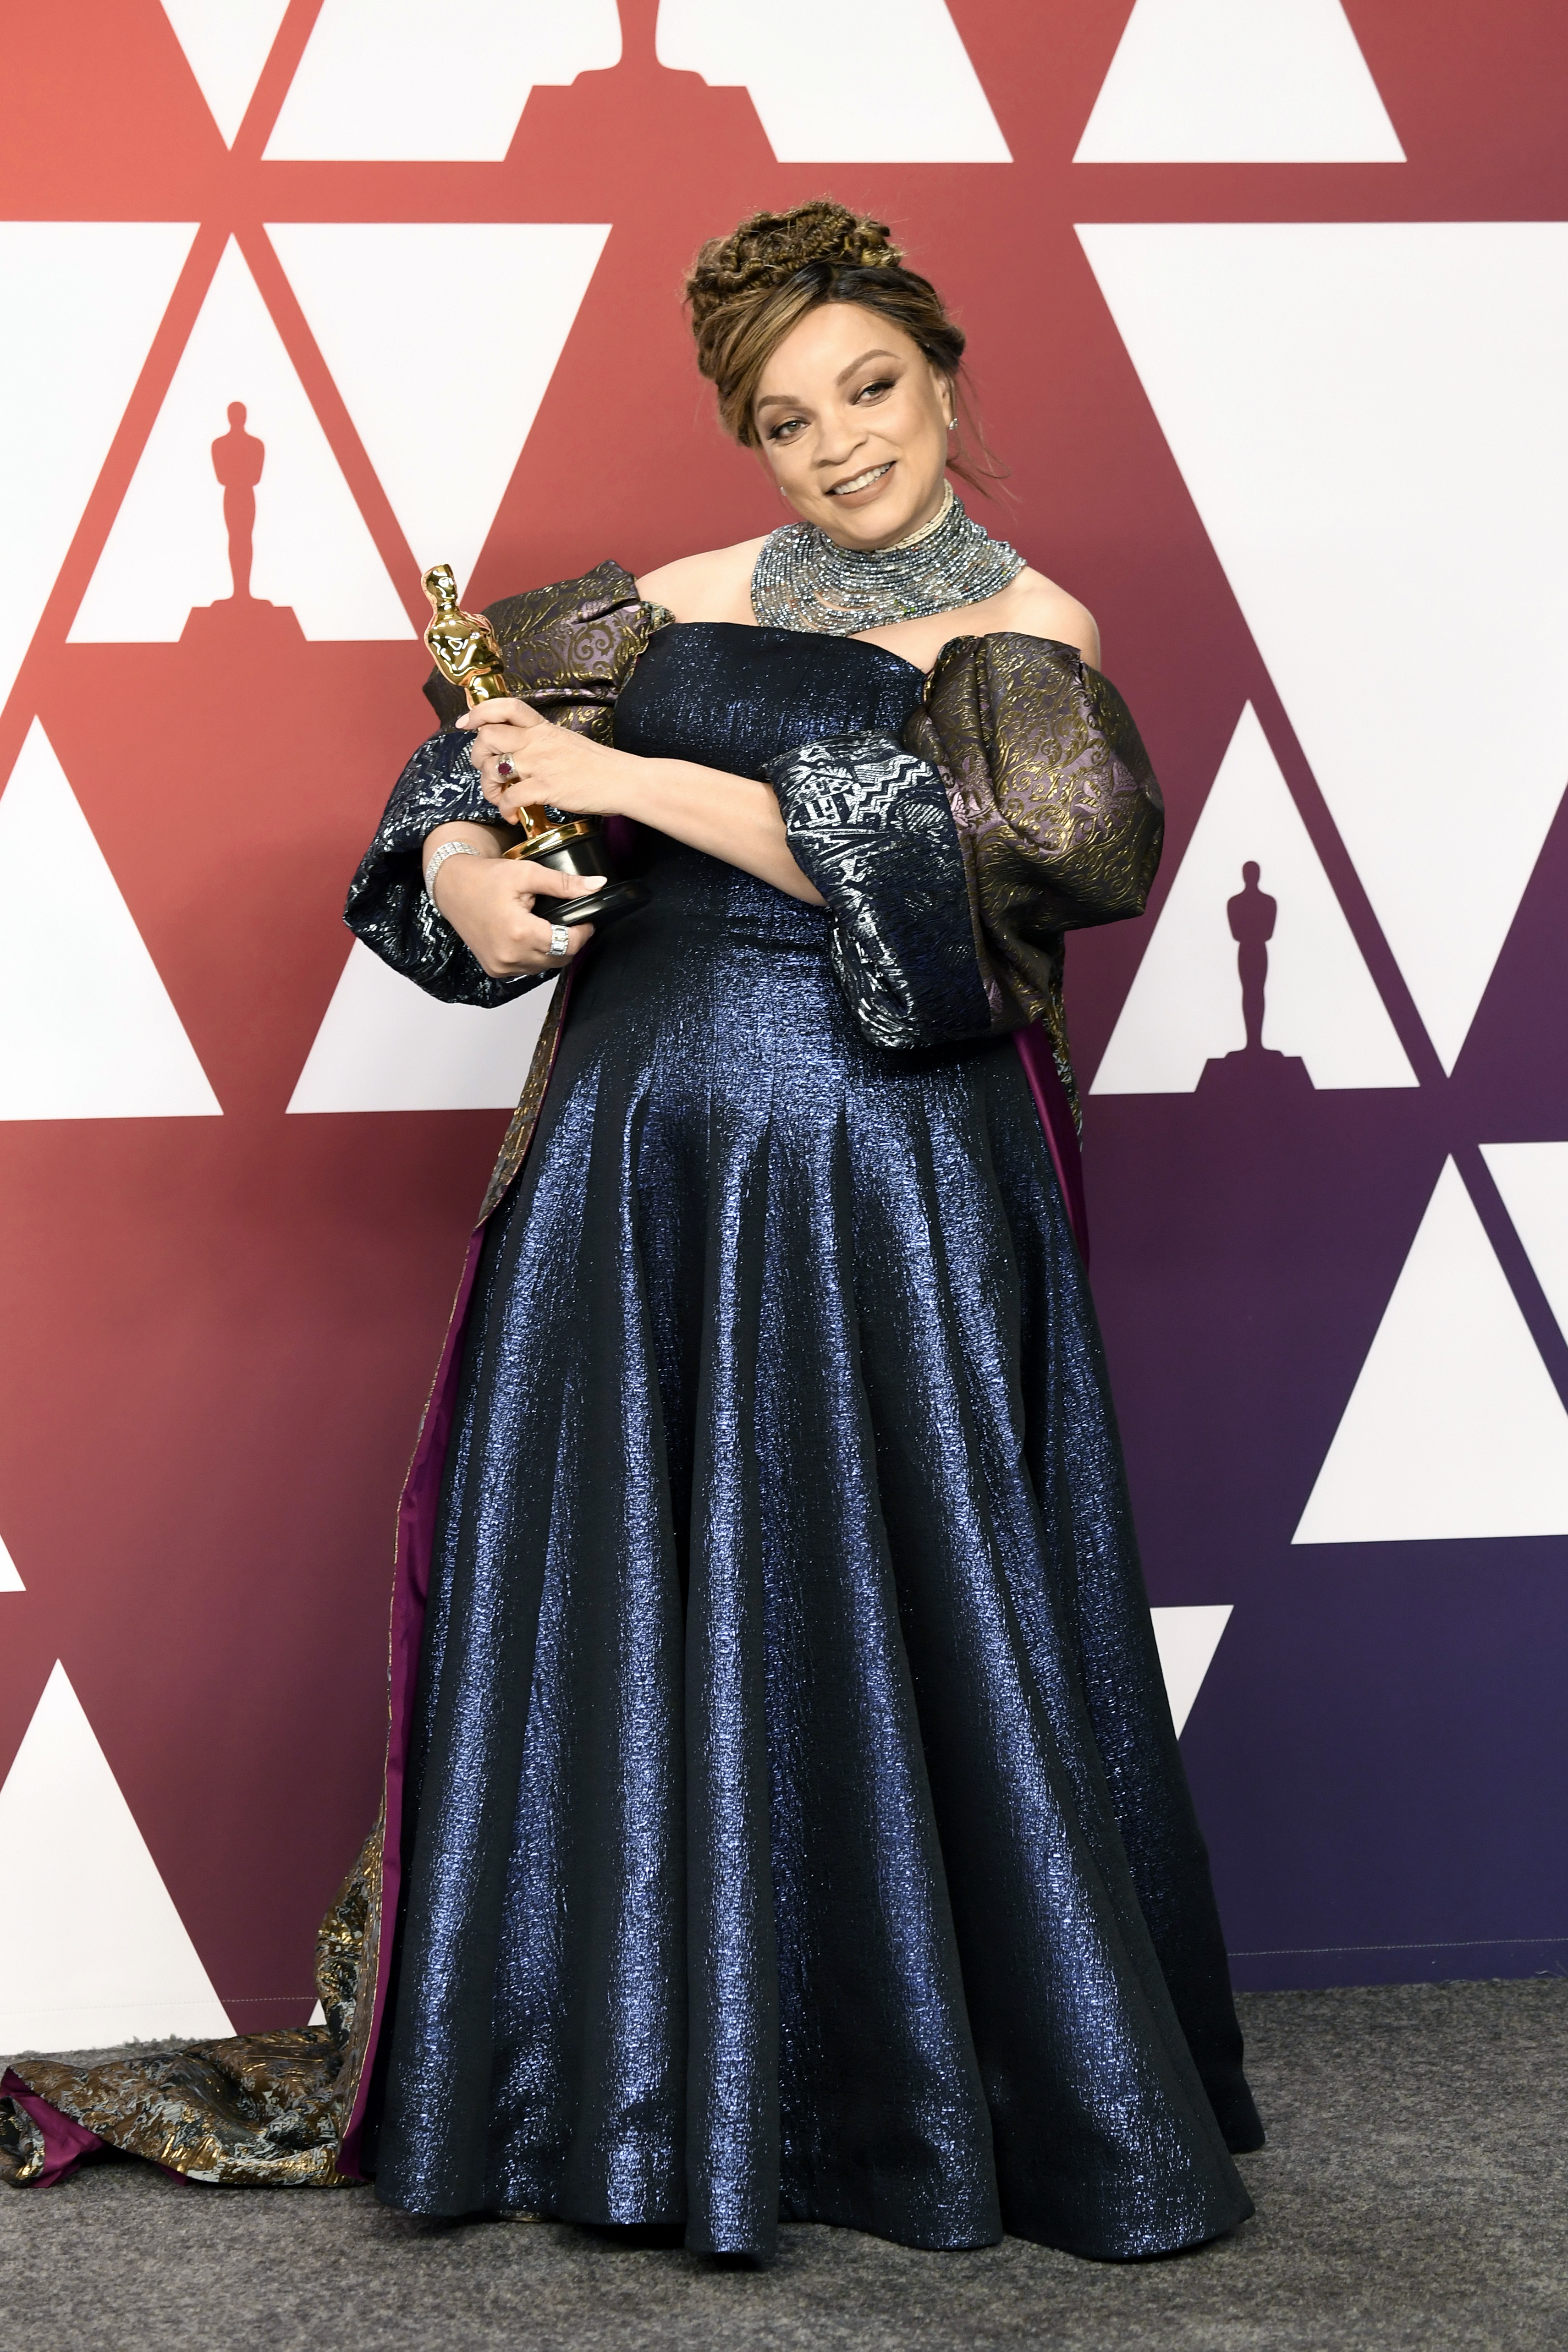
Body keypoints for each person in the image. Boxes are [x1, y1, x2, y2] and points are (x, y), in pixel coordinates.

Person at [2, 202, 1262, 2262]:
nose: (843, 445)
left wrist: (626, 775)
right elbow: (468, 739)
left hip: (887, 1180)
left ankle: (901, 2083)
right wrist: (483, 853)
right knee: (630, 1586)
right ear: (750, 443)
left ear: (942, 373)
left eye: (870, 388)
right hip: (629, 1168)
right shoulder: (674, 599)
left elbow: (952, 873)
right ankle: (609, 2070)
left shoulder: (1035, 632)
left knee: (882, 1591)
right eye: (788, 420)